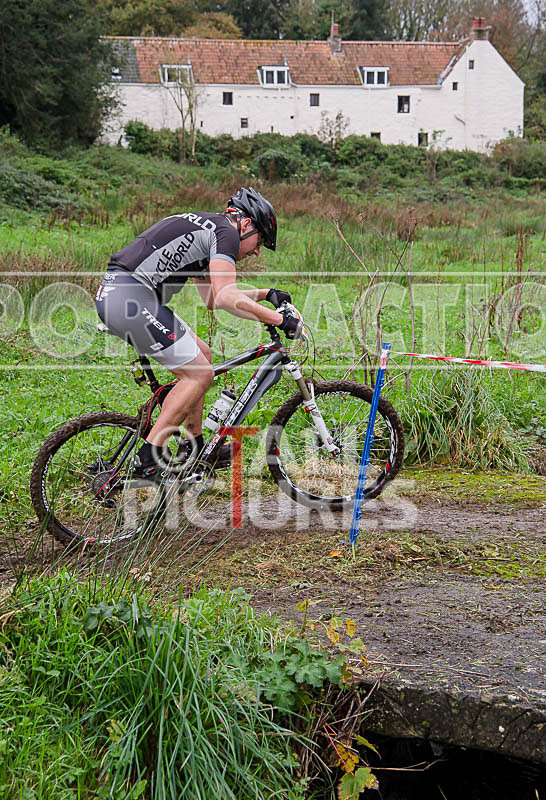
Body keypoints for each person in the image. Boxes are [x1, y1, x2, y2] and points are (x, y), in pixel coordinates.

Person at [95, 187, 300, 481]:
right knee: (200, 374)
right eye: (260, 241)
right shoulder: (226, 233)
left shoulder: (211, 230)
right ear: (245, 224)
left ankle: (193, 446)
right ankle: (148, 458)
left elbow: (213, 298)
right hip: (129, 299)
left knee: (203, 354)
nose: (257, 251)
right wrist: (280, 320)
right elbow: (226, 296)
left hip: (127, 296)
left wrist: (266, 294)